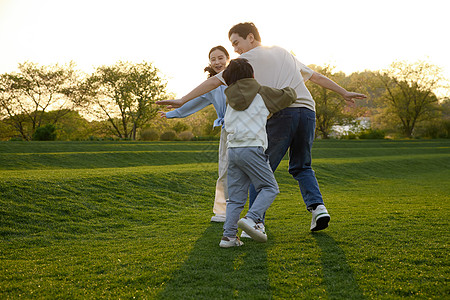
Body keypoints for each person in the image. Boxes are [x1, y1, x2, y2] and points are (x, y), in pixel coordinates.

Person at [157, 22, 367, 233]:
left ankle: (256, 221)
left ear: (250, 37)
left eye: (236, 43)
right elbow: (316, 77)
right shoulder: (284, 51)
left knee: (260, 169)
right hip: (308, 112)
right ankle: (318, 208)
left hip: (284, 113)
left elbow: (214, 83)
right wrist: (343, 92)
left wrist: (182, 100)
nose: (235, 49)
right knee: (301, 166)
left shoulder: (246, 59)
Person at [219, 58, 297, 248]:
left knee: (236, 198)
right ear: (252, 75)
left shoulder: (229, 97)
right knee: (270, 188)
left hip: (233, 150)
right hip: (252, 148)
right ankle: (252, 218)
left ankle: (228, 237)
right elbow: (289, 95)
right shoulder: (261, 91)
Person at [158, 46, 230, 223]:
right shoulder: (212, 86)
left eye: (220, 58)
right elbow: (192, 104)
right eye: (213, 59)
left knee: (250, 170)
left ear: (228, 59)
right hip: (227, 131)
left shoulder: (240, 78)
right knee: (225, 171)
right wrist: (171, 113)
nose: (217, 62)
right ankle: (222, 211)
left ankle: (255, 213)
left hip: (248, 129)